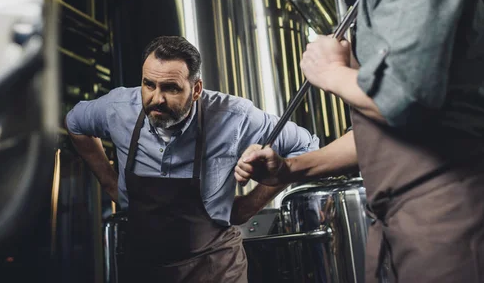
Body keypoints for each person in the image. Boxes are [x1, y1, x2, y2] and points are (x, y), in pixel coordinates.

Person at [235, 0, 484, 282]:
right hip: (402, 229)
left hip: (454, 215)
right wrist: (290, 168)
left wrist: (330, 73)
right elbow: (378, 132)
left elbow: (407, 99)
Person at [65, 36, 319, 283]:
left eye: (171, 88)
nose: (157, 98)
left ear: (196, 89)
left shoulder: (234, 117)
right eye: (148, 84)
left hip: (215, 269)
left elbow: (305, 144)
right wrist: (111, 183)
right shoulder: (118, 108)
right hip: (145, 268)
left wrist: (253, 203)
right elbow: (75, 122)